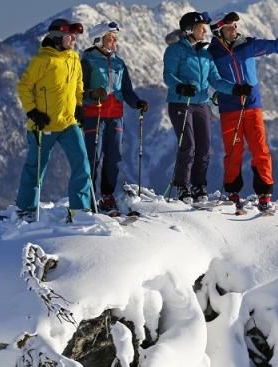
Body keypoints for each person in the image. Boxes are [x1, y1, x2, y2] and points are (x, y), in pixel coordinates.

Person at [208, 11, 278, 213]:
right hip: (229, 109)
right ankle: (232, 194)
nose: (234, 29)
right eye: (229, 27)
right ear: (218, 31)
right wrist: (231, 90)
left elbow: (274, 46)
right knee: (233, 152)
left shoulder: (248, 45)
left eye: (235, 25)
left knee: (260, 149)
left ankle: (264, 195)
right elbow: (213, 79)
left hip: (253, 106)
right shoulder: (212, 54)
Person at [163, 11, 250, 202]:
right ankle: (182, 187)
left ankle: (198, 186)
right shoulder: (175, 50)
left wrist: (235, 89)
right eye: (201, 28)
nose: (205, 31)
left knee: (204, 147)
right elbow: (168, 75)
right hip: (181, 103)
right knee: (188, 146)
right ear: (189, 30)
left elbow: (216, 80)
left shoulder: (205, 54)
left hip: (201, 104)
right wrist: (180, 86)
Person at [15, 18, 92, 220]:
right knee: (35, 169)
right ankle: (26, 209)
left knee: (82, 164)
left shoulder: (74, 58)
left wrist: (79, 106)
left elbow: (78, 86)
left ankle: (80, 210)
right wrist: (33, 112)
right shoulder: (42, 60)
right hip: (44, 125)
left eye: (75, 36)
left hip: (68, 123)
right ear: (57, 37)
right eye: (70, 36)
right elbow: (24, 87)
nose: (74, 40)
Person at [81, 20, 148, 216]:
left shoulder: (119, 63)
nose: (114, 42)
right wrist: (93, 94)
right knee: (93, 158)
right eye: (110, 39)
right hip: (95, 115)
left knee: (114, 158)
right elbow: (79, 91)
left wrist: (137, 102)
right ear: (98, 40)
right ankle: (87, 197)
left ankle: (107, 196)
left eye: (115, 39)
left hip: (115, 116)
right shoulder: (87, 61)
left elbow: (126, 90)